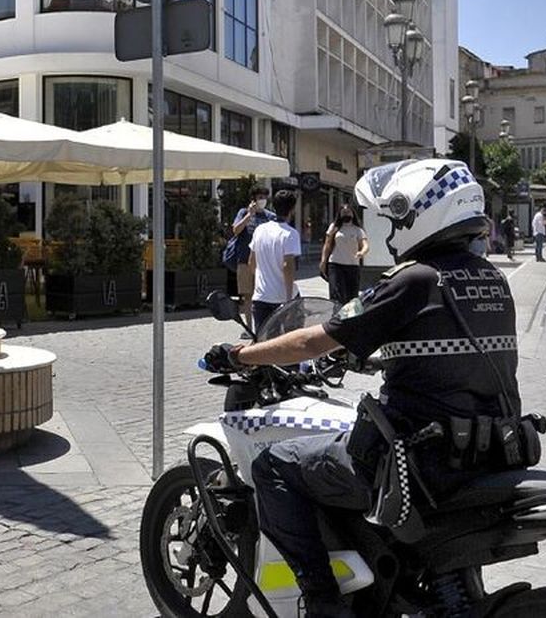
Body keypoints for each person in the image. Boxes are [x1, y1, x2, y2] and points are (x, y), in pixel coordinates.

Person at [202, 159, 526, 617]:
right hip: (487, 451)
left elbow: (314, 339)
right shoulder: (493, 280)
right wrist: (371, 355)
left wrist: (240, 354)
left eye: (397, 220)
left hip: (417, 459)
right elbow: (440, 352)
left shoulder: (413, 281)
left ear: (421, 215)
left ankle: (322, 599)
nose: (392, 233)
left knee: (275, 465)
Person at [247, 189, 301, 334]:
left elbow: (251, 262)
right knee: (289, 341)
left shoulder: (260, 230)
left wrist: (260, 281)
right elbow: (287, 266)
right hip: (281, 297)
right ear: (292, 209)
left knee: (263, 343)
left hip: (261, 296)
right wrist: (289, 300)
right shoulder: (290, 234)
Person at [228, 185, 274, 322]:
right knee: (248, 296)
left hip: (264, 262)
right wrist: (249, 215)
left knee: (263, 295)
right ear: (253, 199)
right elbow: (236, 230)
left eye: (265, 197)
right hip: (245, 260)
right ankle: (249, 326)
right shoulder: (243, 213)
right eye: (260, 197)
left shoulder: (270, 216)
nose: (263, 200)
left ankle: (264, 325)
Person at [318, 204, 368, 305]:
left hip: (352, 266)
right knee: (336, 294)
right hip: (335, 265)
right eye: (344, 212)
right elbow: (327, 245)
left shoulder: (358, 230)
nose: (346, 214)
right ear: (339, 214)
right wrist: (323, 261)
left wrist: (362, 252)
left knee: (352, 297)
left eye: (348, 212)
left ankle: (350, 319)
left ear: (353, 214)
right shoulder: (334, 227)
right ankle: (336, 317)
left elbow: (365, 245)